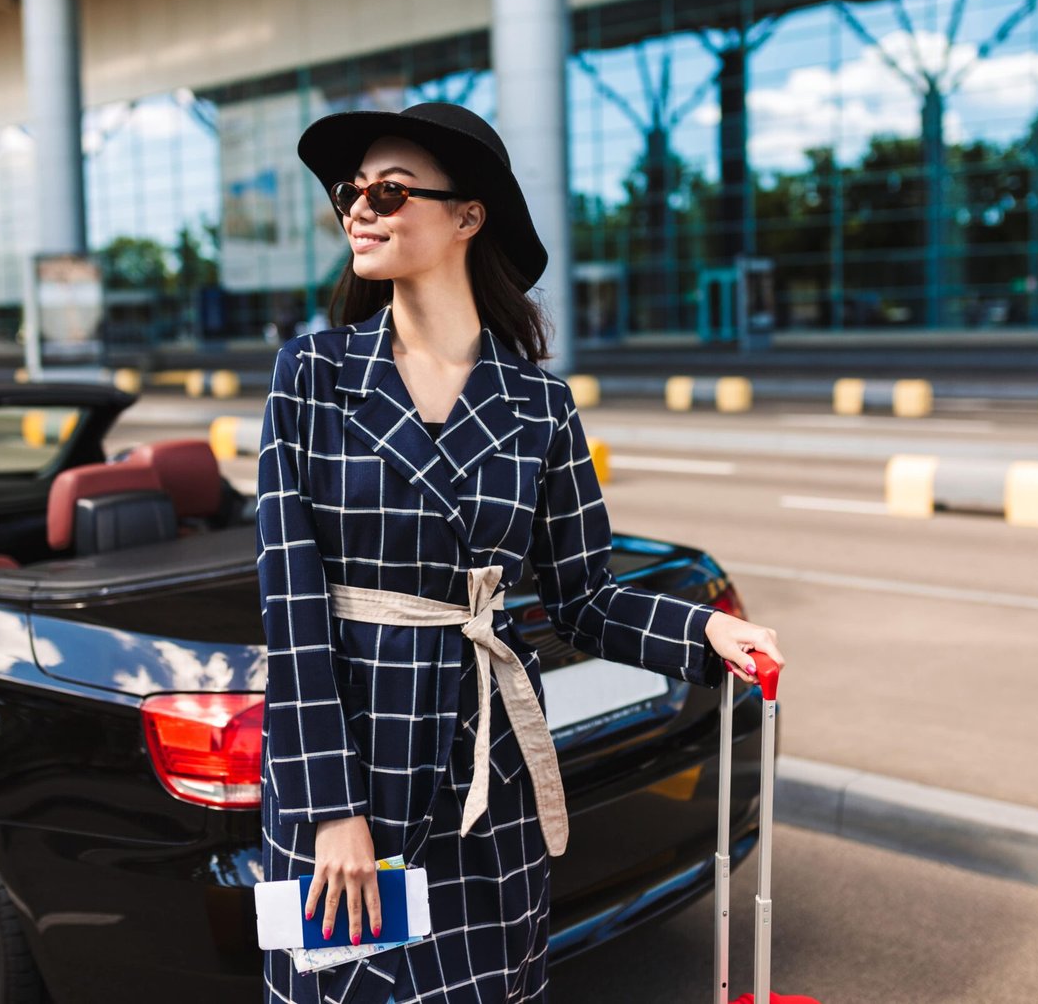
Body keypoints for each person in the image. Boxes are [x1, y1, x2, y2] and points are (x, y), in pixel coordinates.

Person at [255, 101, 785, 1004]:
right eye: (351, 191)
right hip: (351, 773)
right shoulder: (313, 375)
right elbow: (292, 609)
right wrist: (330, 810)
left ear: (469, 215)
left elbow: (585, 597)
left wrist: (704, 634)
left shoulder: (540, 404)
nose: (359, 208)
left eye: (389, 190)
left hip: (487, 774)